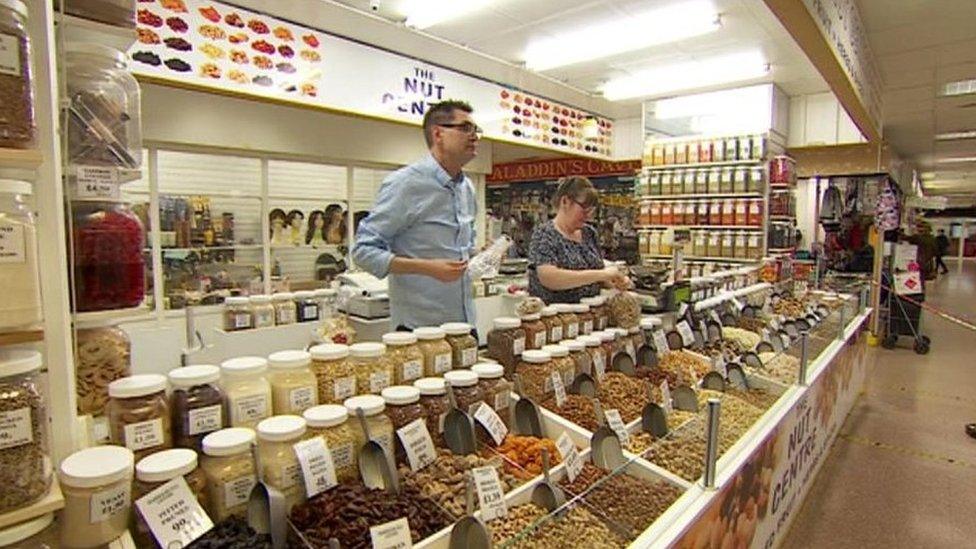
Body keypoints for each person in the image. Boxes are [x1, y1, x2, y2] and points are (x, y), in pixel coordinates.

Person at [353, 99, 481, 329]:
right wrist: (427, 267)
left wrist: (481, 255)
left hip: (464, 323)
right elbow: (363, 251)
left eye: (476, 130)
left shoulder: (467, 188)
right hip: (419, 329)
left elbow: (466, 247)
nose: (474, 136)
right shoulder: (406, 184)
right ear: (438, 133)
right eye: (465, 128)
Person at [527, 176, 630, 304]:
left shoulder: (589, 233)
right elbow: (549, 277)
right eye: (584, 208)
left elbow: (595, 276)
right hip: (555, 318)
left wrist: (614, 282)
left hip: (591, 315)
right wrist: (602, 274)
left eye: (591, 210)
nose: (588, 215)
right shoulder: (544, 234)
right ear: (565, 201)